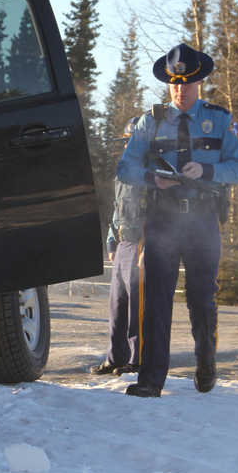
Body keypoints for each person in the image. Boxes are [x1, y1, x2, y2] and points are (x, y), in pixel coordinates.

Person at [117, 43, 238, 397]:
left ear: (199, 82)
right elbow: (125, 166)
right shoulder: (150, 121)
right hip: (162, 220)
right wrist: (151, 178)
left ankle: (206, 364)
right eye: (174, 84)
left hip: (203, 222)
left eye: (187, 84)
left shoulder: (220, 120)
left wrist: (206, 169)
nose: (180, 91)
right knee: (156, 300)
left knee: (202, 299)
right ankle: (150, 380)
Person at [90, 116, 144, 376]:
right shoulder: (123, 172)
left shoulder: (153, 170)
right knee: (117, 306)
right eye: (127, 142)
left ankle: (138, 360)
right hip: (122, 244)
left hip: (141, 243)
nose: (129, 146)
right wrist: (111, 240)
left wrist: (149, 245)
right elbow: (116, 209)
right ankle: (116, 358)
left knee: (138, 307)